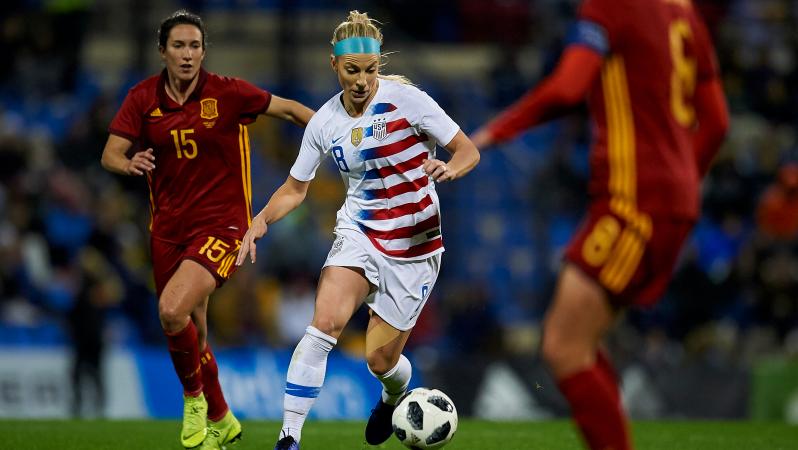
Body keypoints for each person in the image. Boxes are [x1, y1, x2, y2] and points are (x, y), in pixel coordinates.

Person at [471, 0, 729, 449]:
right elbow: (718, 123)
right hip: (666, 200)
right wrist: (683, 184)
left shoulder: (610, 5)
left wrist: (494, 132)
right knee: (581, 344)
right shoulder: (684, 12)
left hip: (633, 202)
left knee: (563, 346)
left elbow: (569, 88)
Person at [234, 10, 480, 450]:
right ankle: (289, 438)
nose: (362, 80)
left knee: (380, 359)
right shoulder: (324, 123)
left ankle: (392, 396)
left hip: (416, 245)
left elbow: (467, 149)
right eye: (352, 70)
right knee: (323, 324)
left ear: (378, 65)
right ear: (334, 65)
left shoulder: (409, 100)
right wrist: (260, 219)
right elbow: (295, 188)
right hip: (360, 233)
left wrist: (450, 166)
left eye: (369, 69)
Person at [100, 10, 314, 450]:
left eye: (195, 45)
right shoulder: (143, 98)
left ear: (203, 51)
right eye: (178, 45)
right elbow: (111, 154)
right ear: (163, 51)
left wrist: (341, 131)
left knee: (172, 310)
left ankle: (194, 399)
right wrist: (128, 162)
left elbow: (290, 110)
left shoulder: (229, 93)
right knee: (192, 326)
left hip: (223, 225)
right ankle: (221, 417)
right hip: (167, 229)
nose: (187, 54)